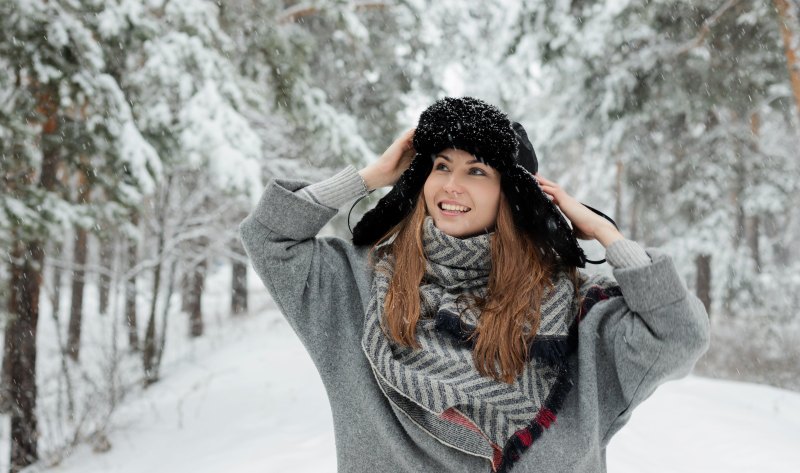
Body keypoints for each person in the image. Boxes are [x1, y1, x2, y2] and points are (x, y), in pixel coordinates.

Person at [240, 97, 710, 473]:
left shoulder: (578, 315)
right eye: (441, 166)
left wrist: (607, 235)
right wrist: (370, 177)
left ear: (513, 193)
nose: (451, 185)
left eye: (477, 171)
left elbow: (678, 333)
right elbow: (270, 237)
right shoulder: (358, 287)